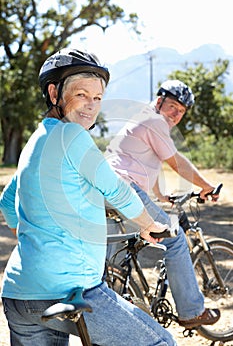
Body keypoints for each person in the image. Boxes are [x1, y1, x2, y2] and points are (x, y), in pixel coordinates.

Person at [0, 48, 177, 346]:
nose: (91, 106)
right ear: (54, 92)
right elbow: (116, 189)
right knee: (161, 343)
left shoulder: (35, 142)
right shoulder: (72, 135)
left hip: (19, 294)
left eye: (97, 98)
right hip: (71, 289)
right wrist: (148, 224)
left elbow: (7, 200)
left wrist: (36, 239)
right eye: (81, 94)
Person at [105, 79, 221, 329]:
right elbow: (176, 162)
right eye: (172, 107)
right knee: (175, 239)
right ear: (159, 102)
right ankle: (191, 312)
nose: (176, 115)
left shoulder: (143, 119)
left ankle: (116, 307)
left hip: (106, 189)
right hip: (125, 190)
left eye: (181, 111)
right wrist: (206, 186)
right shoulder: (155, 121)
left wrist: (162, 196)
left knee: (116, 256)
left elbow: (147, 165)